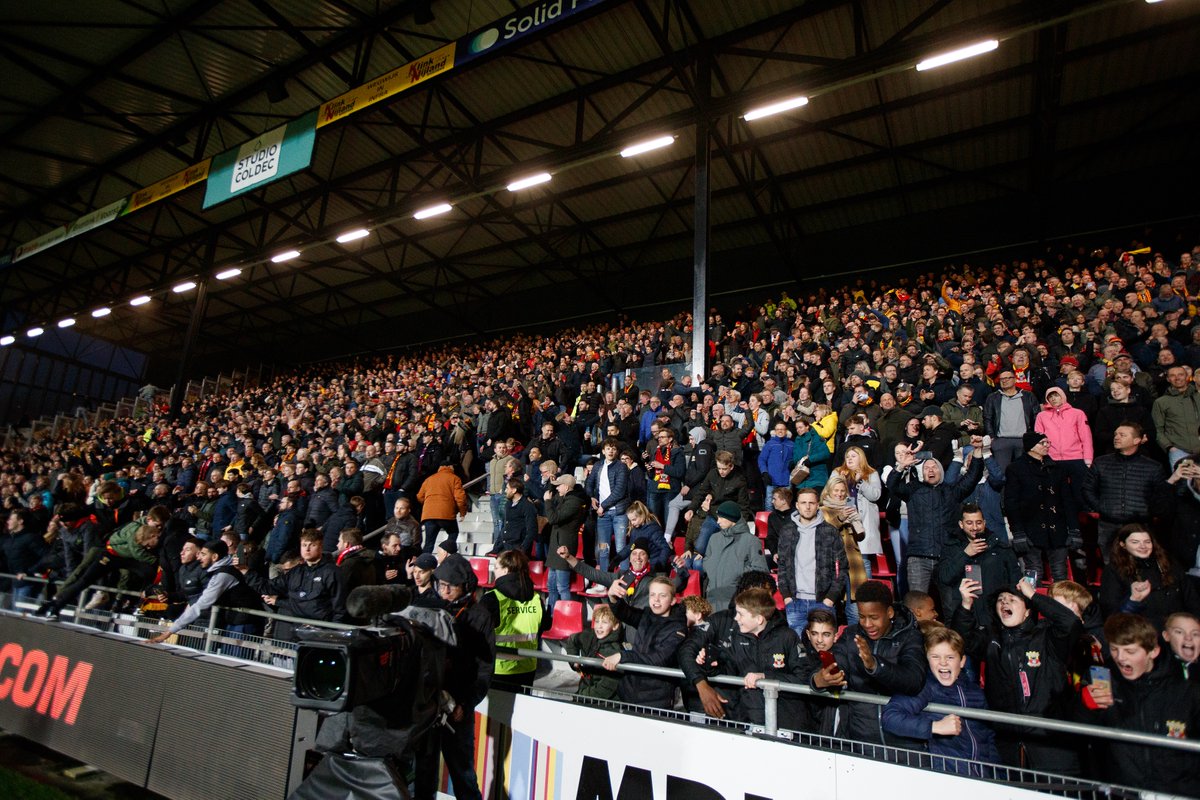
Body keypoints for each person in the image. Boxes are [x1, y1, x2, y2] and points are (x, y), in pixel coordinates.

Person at [953, 573, 1082, 774]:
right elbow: (959, 642)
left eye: (1013, 599)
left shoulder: (1047, 636)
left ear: (1028, 611)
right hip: (1007, 739)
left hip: (1050, 741)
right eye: (1000, 600)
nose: (1005, 602)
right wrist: (965, 606)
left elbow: (1070, 622)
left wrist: (1034, 596)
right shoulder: (991, 638)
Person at [1076, 613, 1200, 795]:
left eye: (1130, 651)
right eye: (1115, 649)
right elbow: (1076, 734)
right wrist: (1084, 705)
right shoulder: (1104, 680)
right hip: (1123, 791)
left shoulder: (1185, 690)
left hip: (1176, 792)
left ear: (1153, 651)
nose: (1121, 658)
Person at [415, 554, 494, 800]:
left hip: (457, 708)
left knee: (463, 773)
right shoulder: (427, 605)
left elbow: (484, 669)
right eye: (441, 585)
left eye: (451, 586)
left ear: (465, 587)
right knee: (421, 770)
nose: (444, 590)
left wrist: (465, 703)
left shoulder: (480, 616)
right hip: (426, 701)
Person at [807, 580, 926, 744]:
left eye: (874, 617)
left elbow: (913, 680)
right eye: (862, 617)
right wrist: (820, 679)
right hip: (861, 740)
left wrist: (875, 665)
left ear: (890, 612)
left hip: (904, 741)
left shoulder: (910, 637)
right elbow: (834, 664)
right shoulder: (851, 635)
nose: (867, 624)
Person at [881, 626, 1000, 774]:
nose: (943, 663)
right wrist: (935, 727)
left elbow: (988, 736)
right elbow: (890, 717)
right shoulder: (924, 686)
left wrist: (996, 774)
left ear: (962, 661)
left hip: (982, 779)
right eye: (935, 657)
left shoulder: (975, 691)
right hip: (947, 778)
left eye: (950, 657)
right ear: (927, 660)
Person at [886, 439, 984, 594]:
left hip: (946, 557)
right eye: (926, 468)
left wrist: (978, 452)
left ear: (941, 472)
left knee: (949, 604)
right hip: (919, 557)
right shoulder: (913, 489)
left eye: (934, 467)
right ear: (922, 473)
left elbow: (972, 478)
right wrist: (901, 466)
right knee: (918, 604)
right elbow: (892, 485)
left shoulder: (952, 492)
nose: (930, 470)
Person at [707, 587, 807, 730]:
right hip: (750, 720)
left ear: (759, 619)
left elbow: (803, 678)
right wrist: (712, 665)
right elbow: (730, 670)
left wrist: (765, 678)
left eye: (740, 614)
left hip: (786, 722)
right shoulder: (736, 636)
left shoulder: (787, 637)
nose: (735, 618)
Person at [147, 538, 265, 653]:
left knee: (233, 662)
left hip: (244, 623)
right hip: (234, 620)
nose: (199, 558)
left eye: (203, 554)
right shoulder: (218, 571)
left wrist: (168, 633)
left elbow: (201, 604)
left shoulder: (224, 575)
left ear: (214, 557)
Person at [1083, 423, 1168, 561]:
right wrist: (1102, 508)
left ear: (1137, 440)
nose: (1116, 437)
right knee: (1110, 566)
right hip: (1108, 524)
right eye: (1116, 434)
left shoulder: (1153, 467)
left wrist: (1147, 512)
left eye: (1122, 435)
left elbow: (1161, 496)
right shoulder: (1101, 462)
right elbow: (1087, 489)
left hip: (1139, 526)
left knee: (1139, 568)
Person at [602, 575, 687, 710]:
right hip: (629, 693)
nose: (656, 600)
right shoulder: (647, 615)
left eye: (662, 595)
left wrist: (623, 656)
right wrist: (613, 597)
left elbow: (659, 659)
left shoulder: (678, 628)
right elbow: (625, 613)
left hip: (655, 700)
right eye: (652, 594)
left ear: (672, 601)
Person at [1098, 525, 1200, 632]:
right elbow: (1111, 613)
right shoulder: (1114, 570)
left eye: (1147, 542)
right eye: (1135, 542)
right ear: (1123, 545)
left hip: (1178, 630)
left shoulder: (1169, 563)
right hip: (1141, 633)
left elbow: (1192, 600)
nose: (1143, 546)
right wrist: (1133, 600)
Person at [248, 529, 345, 640]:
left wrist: (331, 634)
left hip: (320, 633)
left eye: (312, 545)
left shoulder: (332, 572)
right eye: (304, 545)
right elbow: (269, 587)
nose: (307, 549)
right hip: (294, 630)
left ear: (321, 546)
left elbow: (339, 607)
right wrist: (245, 571)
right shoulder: (296, 572)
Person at [935, 504, 1020, 625]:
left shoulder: (1000, 548)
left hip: (994, 616)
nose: (975, 527)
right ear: (961, 524)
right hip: (963, 615)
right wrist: (966, 554)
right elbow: (945, 578)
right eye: (969, 523)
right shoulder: (950, 548)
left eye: (978, 522)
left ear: (984, 523)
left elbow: (1015, 580)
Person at [1004, 431, 1072, 581]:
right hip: (1030, 529)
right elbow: (1011, 502)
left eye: (1048, 442)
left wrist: (1074, 529)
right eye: (1043, 443)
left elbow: (1067, 500)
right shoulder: (1015, 469)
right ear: (1031, 446)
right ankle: (1031, 602)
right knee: (1033, 572)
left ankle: (1063, 603)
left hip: (1057, 528)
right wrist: (1018, 532)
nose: (1047, 446)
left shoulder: (1057, 468)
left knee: (1060, 573)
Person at [482, 549, 543, 689]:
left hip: (499, 669)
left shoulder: (492, 598)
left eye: (496, 567)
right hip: (528, 668)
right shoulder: (536, 598)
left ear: (506, 570)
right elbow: (544, 625)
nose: (494, 571)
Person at [819, 473, 871, 625]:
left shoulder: (850, 507)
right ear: (828, 491)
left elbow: (860, 537)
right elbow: (824, 533)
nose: (840, 494)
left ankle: (855, 638)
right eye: (836, 490)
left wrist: (856, 521)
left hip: (852, 561)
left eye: (842, 491)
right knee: (831, 604)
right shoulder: (822, 510)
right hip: (832, 563)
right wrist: (840, 518)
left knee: (854, 606)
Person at [701, 501, 768, 610]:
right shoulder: (714, 538)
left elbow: (761, 570)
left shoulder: (751, 541)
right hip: (712, 598)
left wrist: (737, 571)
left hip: (737, 601)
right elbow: (707, 560)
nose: (718, 522)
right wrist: (710, 568)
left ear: (732, 519)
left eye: (721, 518)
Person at [585, 437, 631, 574]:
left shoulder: (621, 467)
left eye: (614, 449)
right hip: (603, 514)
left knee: (621, 548)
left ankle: (624, 579)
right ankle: (603, 579)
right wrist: (591, 497)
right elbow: (589, 483)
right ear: (603, 451)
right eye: (608, 448)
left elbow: (619, 491)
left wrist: (602, 506)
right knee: (603, 548)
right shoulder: (598, 465)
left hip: (618, 513)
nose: (611, 451)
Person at [543, 473, 588, 609]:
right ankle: (551, 616)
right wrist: (551, 483)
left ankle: (565, 616)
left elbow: (553, 519)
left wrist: (547, 502)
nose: (556, 489)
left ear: (567, 487)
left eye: (559, 486)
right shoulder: (565, 499)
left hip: (564, 546)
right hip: (555, 546)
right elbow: (554, 496)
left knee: (562, 587)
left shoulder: (573, 502)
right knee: (551, 586)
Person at [563, 604, 622, 699]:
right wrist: (574, 661)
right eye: (597, 622)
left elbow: (605, 688)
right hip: (584, 693)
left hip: (605, 702)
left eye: (604, 622)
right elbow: (572, 640)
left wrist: (581, 696)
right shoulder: (589, 635)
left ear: (615, 626)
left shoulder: (615, 652)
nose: (599, 626)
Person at [1151, 365, 1200, 468]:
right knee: (1182, 483)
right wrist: (1169, 447)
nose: (1177, 378)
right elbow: (1157, 429)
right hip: (1179, 450)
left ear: (1187, 376)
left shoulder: (1198, 397)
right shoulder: (1161, 402)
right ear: (1168, 379)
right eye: (1172, 375)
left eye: (1180, 375)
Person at [416, 459, 469, 554]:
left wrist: (430, 505)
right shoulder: (454, 478)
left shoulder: (429, 479)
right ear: (450, 467)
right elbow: (460, 498)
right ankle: (446, 553)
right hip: (446, 514)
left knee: (429, 543)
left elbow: (419, 496)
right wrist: (462, 512)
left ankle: (423, 565)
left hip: (429, 515)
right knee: (453, 533)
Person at [334, 527, 377, 624]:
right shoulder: (369, 560)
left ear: (346, 544)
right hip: (364, 612)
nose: (337, 545)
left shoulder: (348, 564)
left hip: (350, 615)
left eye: (339, 541)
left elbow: (340, 591)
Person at [487, 478, 538, 557]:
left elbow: (531, 530)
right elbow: (505, 527)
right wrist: (496, 548)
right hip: (505, 548)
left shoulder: (527, 506)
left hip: (517, 550)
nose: (505, 491)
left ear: (514, 490)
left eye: (507, 488)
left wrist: (522, 549)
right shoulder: (508, 504)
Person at [757, 421, 793, 510]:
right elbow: (762, 459)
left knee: (786, 502)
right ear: (775, 431)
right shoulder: (770, 444)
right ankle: (769, 522)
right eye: (778, 429)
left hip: (786, 479)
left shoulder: (791, 444)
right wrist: (764, 472)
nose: (780, 431)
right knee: (770, 502)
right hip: (771, 478)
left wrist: (793, 463)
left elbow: (795, 458)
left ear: (786, 431)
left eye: (782, 429)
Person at [1162, 611, 1200, 682]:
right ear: (1166, 636)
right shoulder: (1160, 668)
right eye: (1179, 632)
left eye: (1195, 634)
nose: (1188, 638)